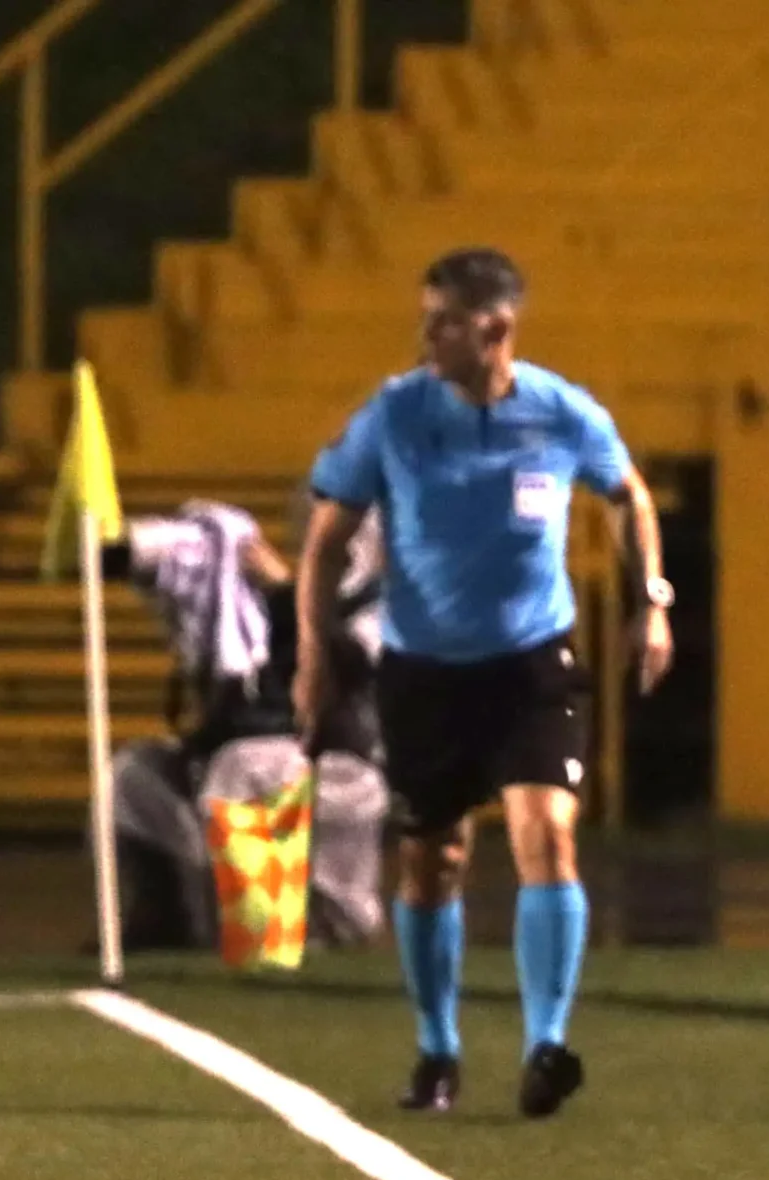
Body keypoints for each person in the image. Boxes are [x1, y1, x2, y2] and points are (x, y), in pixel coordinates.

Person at [294, 246, 675, 1118]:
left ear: (496, 328)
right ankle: (438, 1050)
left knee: (548, 831)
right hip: (424, 672)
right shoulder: (394, 415)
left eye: (444, 321)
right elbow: (323, 541)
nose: (426, 335)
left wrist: (651, 598)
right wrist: (314, 657)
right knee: (434, 860)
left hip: (531, 664)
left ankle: (546, 1044)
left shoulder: (558, 412)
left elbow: (629, 495)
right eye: (425, 317)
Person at [108, 498, 385, 951]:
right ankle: (166, 922)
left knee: (246, 766)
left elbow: (347, 660)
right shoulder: (292, 593)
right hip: (264, 751)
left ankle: (272, 927)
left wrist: (279, 588)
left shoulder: (398, 607)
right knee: (137, 773)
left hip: (341, 761)